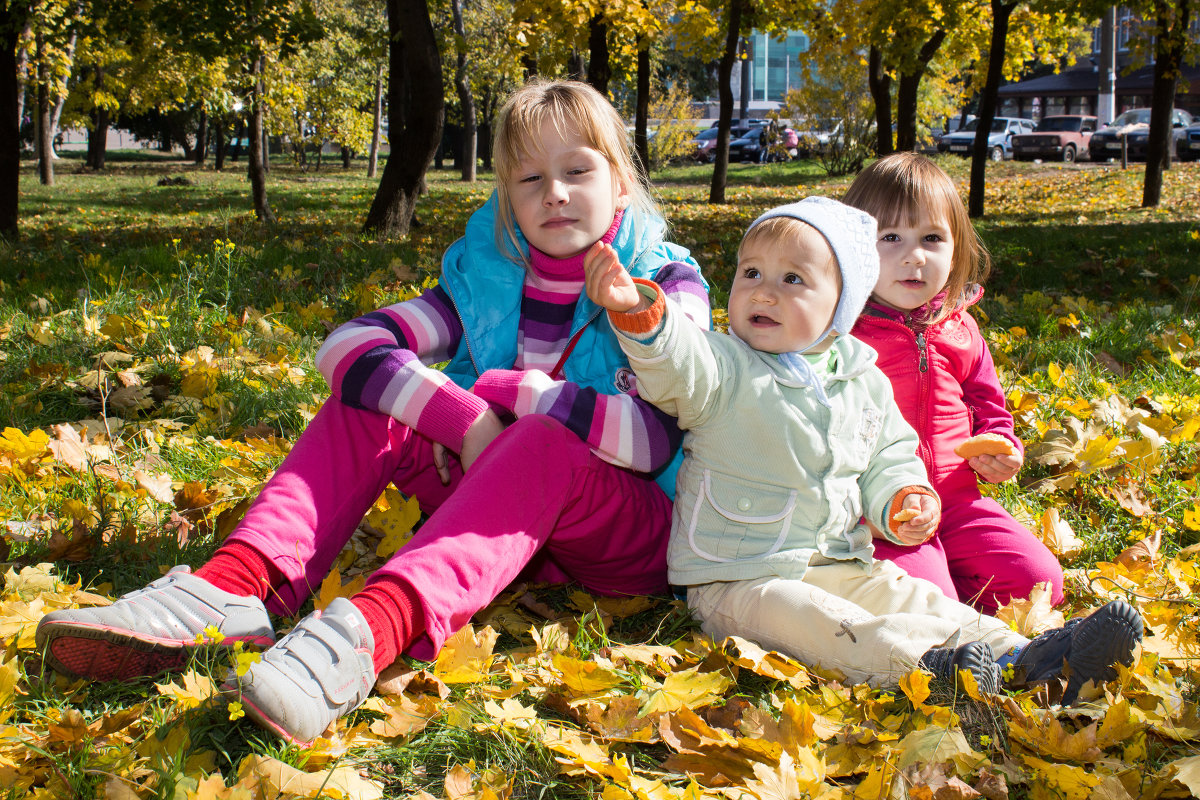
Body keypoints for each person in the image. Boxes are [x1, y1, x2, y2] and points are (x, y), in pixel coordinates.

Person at [35, 79, 711, 745]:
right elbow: (350, 346)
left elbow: (656, 438)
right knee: (376, 400)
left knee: (539, 438)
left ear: (620, 181)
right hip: (492, 505)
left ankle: (365, 636)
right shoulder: (486, 280)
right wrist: (467, 421)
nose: (555, 193)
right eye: (529, 178)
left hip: (626, 531)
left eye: (577, 170)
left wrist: (526, 396)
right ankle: (238, 587)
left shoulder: (664, 284)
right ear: (506, 196)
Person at [583, 195, 1141, 699]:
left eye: (793, 280)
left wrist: (903, 496)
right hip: (737, 577)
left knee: (914, 599)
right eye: (750, 272)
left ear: (840, 309)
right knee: (820, 620)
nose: (764, 290)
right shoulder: (725, 364)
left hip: (840, 559)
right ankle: (934, 671)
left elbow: (890, 454)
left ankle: (1027, 654)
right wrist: (641, 314)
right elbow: (678, 361)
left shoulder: (861, 377)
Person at [843, 153, 1063, 614]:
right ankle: (935, 587)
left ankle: (951, 574)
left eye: (931, 238)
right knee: (929, 606)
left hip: (959, 498)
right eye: (890, 237)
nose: (913, 255)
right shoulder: (842, 333)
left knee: (1040, 584)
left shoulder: (958, 328)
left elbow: (989, 406)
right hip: (882, 509)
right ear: (853, 246)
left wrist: (999, 446)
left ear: (956, 247)